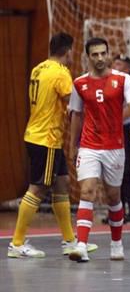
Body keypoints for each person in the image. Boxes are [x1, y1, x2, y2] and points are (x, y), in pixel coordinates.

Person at [8, 32, 97, 258]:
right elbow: (75, 102)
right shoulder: (60, 73)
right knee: (38, 188)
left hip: (42, 136)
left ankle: (69, 241)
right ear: (68, 51)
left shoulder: (39, 69)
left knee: (62, 184)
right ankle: (17, 244)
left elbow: (53, 101)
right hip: (45, 138)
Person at [68, 37, 130, 262]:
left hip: (114, 147)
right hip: (89, 145)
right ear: (87, 57)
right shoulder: (79, 83)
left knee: (113, 196)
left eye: (103, 53)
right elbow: (77, 115)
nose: (100, 58)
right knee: (87, 191)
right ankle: (81, 245)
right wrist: (73, 145)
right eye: (95, 54)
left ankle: (116, 243)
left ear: (108, 54)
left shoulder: (123, 79)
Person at [111, 55, 130, 222]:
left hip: (125, 129)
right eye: (114, 63)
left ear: (128, 68)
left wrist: (113, 122)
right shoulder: (111, 82)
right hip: (114, 130)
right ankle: (118, 210)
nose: (115, 66)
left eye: (119, 64)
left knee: (127, 169)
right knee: (115, 169)